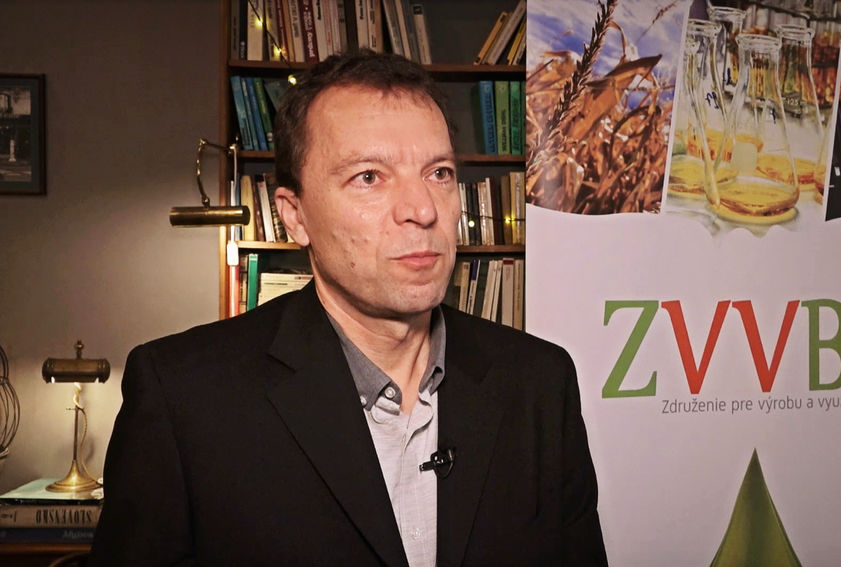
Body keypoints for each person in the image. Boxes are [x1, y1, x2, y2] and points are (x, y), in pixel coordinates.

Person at [90, 50, 607, 566]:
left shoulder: (540, 382)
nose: (422, 209)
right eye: (369, 177)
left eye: (439, 173)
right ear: (295, 216)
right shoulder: (183, 398)